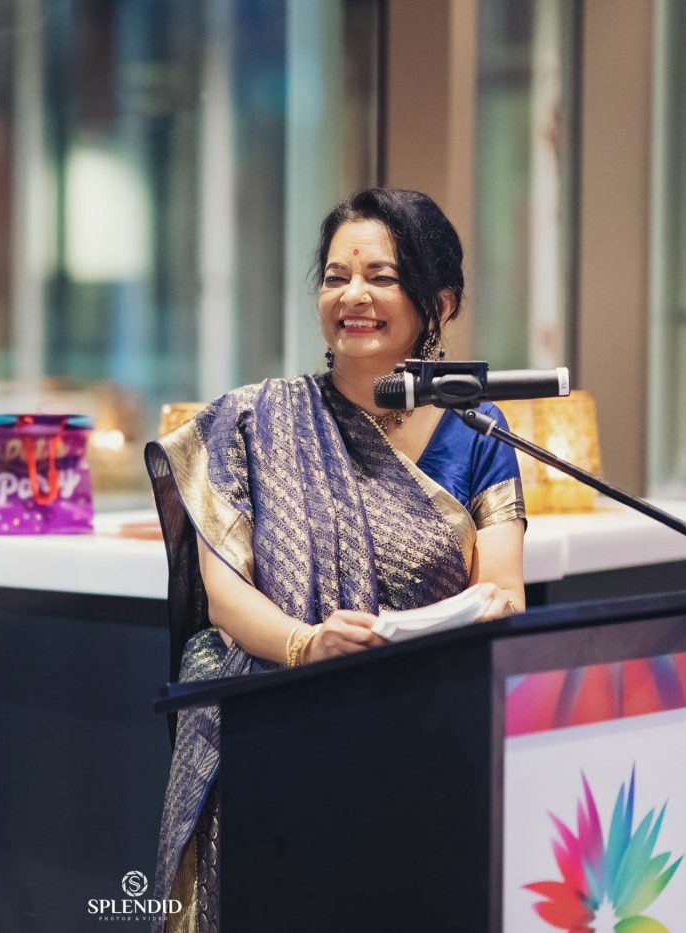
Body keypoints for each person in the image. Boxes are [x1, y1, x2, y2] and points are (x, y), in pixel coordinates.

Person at [144, 187, 527, 932]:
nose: (353, 295)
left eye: (381, 276)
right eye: (335, 276)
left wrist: (419, 634)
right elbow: (225, 596)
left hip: (427, 730)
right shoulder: (254, 422)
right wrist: (307, 643)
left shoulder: (478, 427)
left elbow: (503, 592)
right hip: (280, 728)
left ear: (439, 301)